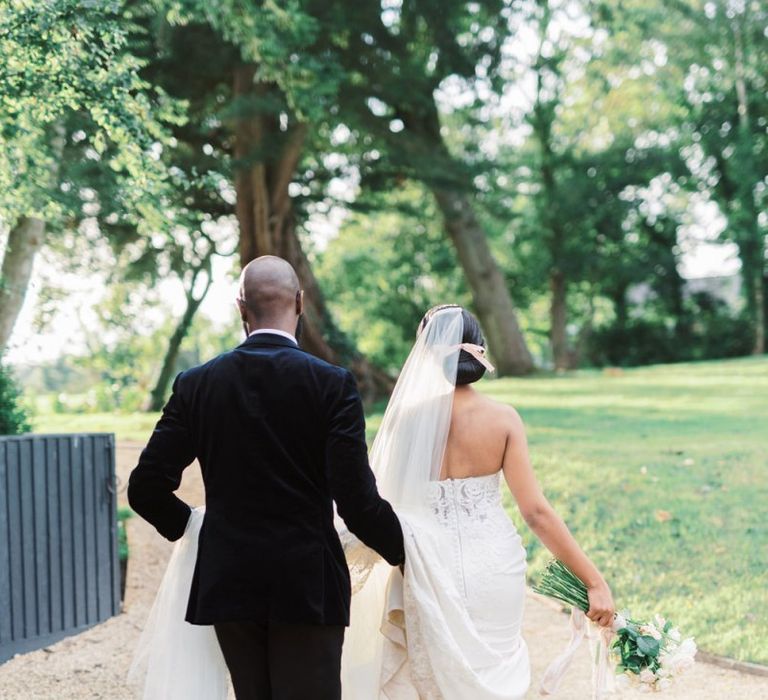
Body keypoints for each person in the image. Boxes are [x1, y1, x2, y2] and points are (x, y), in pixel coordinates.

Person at [127, 255, 404, 700]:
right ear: (300, 302)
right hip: (307, 583)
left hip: (229, 579)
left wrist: (197, 529)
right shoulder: (331, 383)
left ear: (241, 307)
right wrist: (406, 552)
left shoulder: (196, 384)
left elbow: (145, 488)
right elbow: (355, 500)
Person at [341, 304, 615, 698]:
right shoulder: (503, 419)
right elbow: (536, 513)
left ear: (425, 355)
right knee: (494, 675)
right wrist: (594, 580)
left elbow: (381, 503)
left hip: (427, 567)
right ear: (479, 350)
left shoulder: (405, 422)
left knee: (433, 677)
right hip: (494, 566)